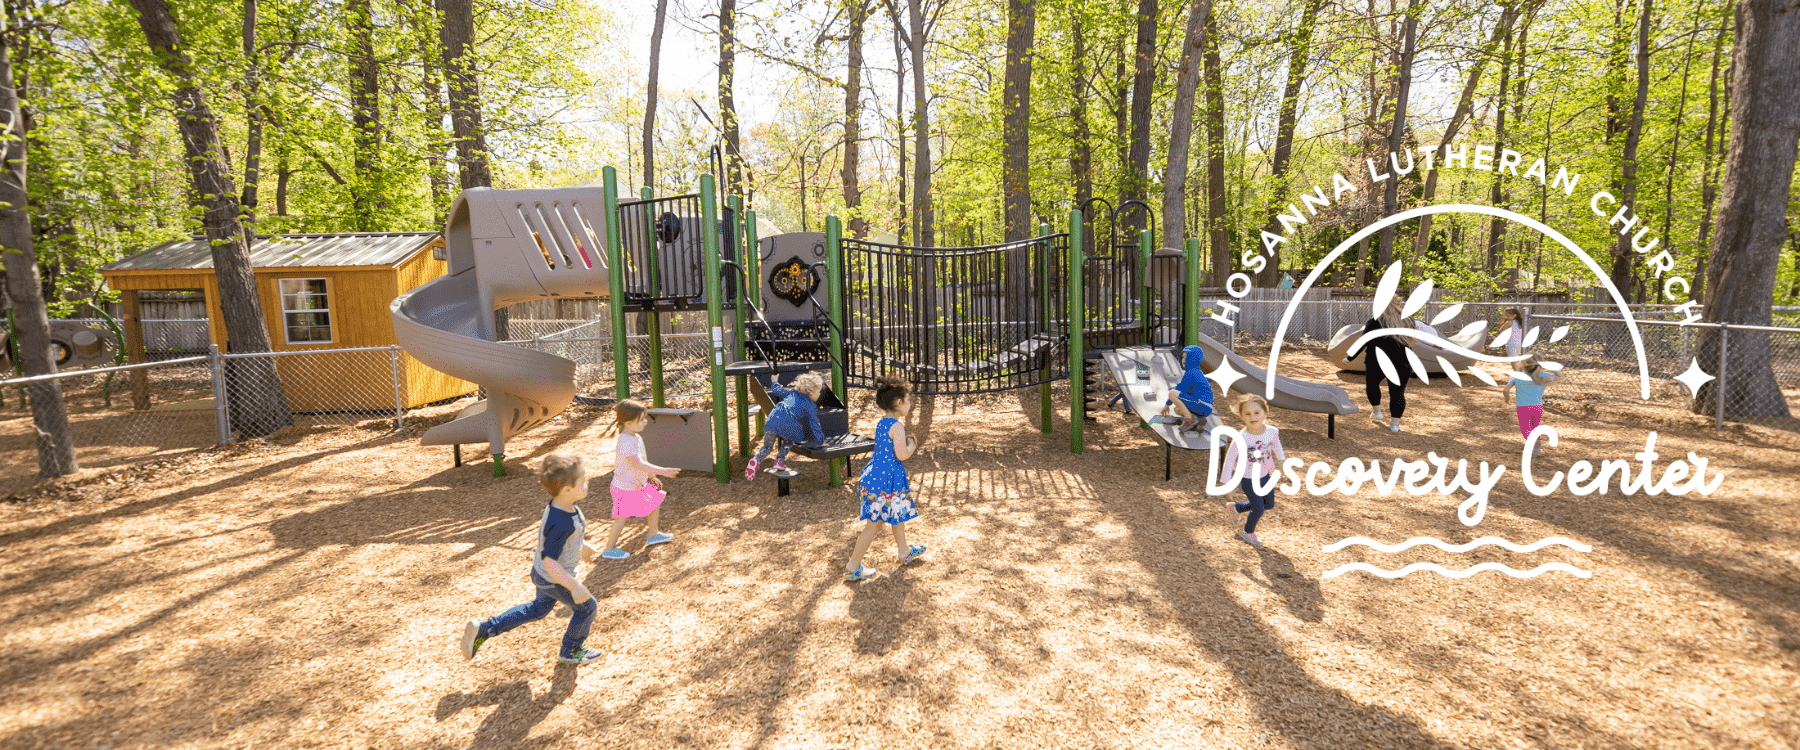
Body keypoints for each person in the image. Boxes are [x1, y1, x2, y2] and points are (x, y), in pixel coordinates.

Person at [461, 454, 604, 665]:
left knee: (537, 610)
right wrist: (574, 586)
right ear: (567, 490)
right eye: (583, 481)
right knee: (588, 607)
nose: (587, 483)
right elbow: (550, 560)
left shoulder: (560, 506)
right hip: (554, 577)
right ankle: (570, 650)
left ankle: (486, 628)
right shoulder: (562, 521)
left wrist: (580, 546)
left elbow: (560, 540)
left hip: (542, 574)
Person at [844, 377, 926, 582]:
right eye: (908, 400)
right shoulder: (897, 427)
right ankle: (853, 566)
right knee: (874, 525)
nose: (910, 404)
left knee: (895, 514)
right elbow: (901, 455)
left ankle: (904, 551)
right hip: (885, 481)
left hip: (878, 478)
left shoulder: (883, 423)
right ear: (899, 403)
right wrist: (912, 445)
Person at [600, 399, 678, 560]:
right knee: (622, 518)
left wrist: (652, 476)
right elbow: (639, 463)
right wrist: (663, 471)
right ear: (628, 423)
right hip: (624, 488)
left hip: (636, 485)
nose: (645, 422)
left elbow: (642, 461)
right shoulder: (625, 442)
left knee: (654, 501)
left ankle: (653, 534)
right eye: (641, 419)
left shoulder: (635, 437)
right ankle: (609, 549)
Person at [1220, 395, 1286, 548]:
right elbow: (1229, 460)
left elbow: (1277, 446)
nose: (1253, 417)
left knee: (1268, 505)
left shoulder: (1271, 432)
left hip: (1265, 476)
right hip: (1248, 479)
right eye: (1247, 414)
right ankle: (1247, 532)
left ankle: (1236, 508)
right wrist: (1226, 482)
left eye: (1257, 413)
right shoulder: (1241, 438)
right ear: (1241, 416)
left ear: (1265, 413)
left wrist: (1281, 462)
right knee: (1258, 509)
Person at [1348, 296, 1416, 433]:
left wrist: (1350, 358)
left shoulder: (1374, 322)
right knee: (1398, 393)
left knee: (1372, 385)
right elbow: (1409, 342)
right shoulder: (1408, 320)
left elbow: (1363, 341)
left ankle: (1377, 411)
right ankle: (1395, 424)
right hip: (1402, 362)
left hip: (1376, 361)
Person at [746, 372, 828, 478]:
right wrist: (819, 440)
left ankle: (756, 460)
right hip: (787, 423)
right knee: (789, 441)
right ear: (811, 392)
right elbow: (815, 424)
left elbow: (777, 391)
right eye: (819, 391)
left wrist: (774, 381)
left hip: (773, 418)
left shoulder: (792, 393)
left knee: (767, 447)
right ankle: (779, 461)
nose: (820, 394)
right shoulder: (810, 405)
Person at [1153, 344, 1220, 434]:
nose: (1183, 360)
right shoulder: (1196, 371)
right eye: (1182, 357)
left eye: (1187, 357)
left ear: (1194, 359)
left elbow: (1179, 390)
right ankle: (1197, 419)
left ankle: (1189, 420)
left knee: (1172, 393)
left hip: (1201, 404)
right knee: (1177, 409)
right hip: (1205, 407)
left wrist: (1167, 404)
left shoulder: (1192, 372)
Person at [1502, 356, 1559, 455]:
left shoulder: (1517, 376)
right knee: (1535, 426)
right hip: (1537, 407)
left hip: (1523, 408)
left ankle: (1533, 443)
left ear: (1523, 365)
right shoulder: (1543, 376)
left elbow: (1506, 390)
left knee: (1526, 429)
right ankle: (1535, 451)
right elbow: (1560, 376)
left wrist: (1507, 400)